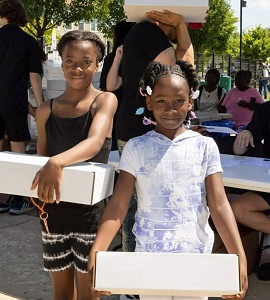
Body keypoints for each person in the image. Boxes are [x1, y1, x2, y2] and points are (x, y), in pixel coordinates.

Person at [88, 61, 247, 300]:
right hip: (150, 260)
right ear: (149, 102)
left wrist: (239, 258)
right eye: (161, 100)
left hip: (195, 261)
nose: (170, 108)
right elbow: (119, 206)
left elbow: (220, 205)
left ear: (190, 102)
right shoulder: (136, 147)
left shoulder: (204, 146)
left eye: (179, 100)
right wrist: (97, 252)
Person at [30, 30, 117, 300]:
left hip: (90, 217)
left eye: (85, 61)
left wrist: (57, 162)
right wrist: (46, 168)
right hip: (52, 214)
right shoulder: (46, 109)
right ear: (61, 61)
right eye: (69, 61)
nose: (77, 68)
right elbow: (42, 159)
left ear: (97, 64)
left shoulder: (104, 101)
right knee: (62, 293)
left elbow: (93, 143)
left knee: (89, 292)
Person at [106, 10, 194, 256]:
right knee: (138, 205)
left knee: (141, 203)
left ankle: (135, 266)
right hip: (140, 130)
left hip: (138, 128)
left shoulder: (143, 36)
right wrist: (179, 24)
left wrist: (179, 26)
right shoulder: (147, 30)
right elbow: (184, 70)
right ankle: (133, 274)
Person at [0, 0, 43, 214]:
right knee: (17, 149)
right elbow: (34, 76)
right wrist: (40, 106)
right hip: (15, 102)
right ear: (20, 17)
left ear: (2, 15)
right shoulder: (28, 41)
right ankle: (18, 199)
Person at [231, 101, 270, 234]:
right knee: (238, 208)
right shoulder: (265, 110)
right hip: (267, 182)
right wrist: (245, 133)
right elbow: (239, 151)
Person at [100, 20, 135, 151]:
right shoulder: (115, 59)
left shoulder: (113, 59)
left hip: (118, 113)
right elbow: (109, 86)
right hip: (123, 112)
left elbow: (105, 89)